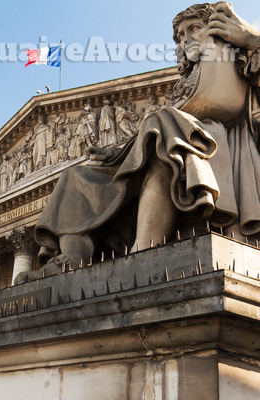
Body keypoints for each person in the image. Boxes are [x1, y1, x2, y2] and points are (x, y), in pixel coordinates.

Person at [18, 2, 260, 282]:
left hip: (212, 144)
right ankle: (71, 260)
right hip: (163, 139)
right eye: (181, 35)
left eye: (194, 28)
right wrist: (116, 151)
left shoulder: (240, 55)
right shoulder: (186, 82)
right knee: (76, 175)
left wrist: (252, 39)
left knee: (163, 129)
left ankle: (143, 253)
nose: (186, 38)